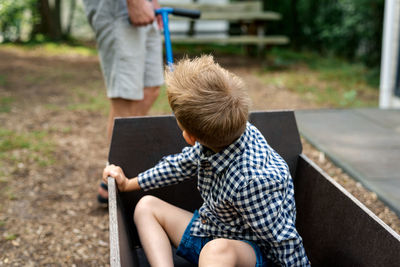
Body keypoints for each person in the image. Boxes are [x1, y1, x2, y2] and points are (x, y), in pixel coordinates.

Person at [103, 56, 310, 266]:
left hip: (248, 256)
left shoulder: (254, 182)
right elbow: (179, 165)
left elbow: (283, 241)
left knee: (217, 251)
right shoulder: (221, 136)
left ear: (189, 137)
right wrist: (129, 183)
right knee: (146, 206)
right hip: (211, 229)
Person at [81, 0, 164, 203]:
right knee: (126, 98)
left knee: (150, 88)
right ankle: (113, 181)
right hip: (118, 8)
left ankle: (122, 169)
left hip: (145, 6)